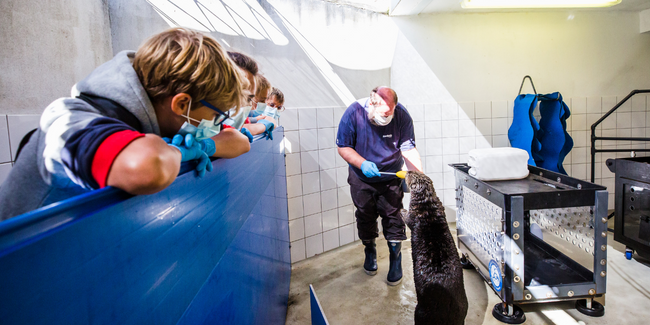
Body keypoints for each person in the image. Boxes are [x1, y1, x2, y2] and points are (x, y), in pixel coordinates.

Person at [0, 27, 250, 221]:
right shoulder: (71, 119)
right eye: (216, 114)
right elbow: (148, 167)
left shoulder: (148, 119)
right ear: (182, 104)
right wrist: (177, 152)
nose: (216, 123)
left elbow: (238, 142)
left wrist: (204, 146)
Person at [336, 86, 423, 286]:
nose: (387, 117)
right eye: (383, 113)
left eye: (390, 113)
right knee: (365, 214)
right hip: (362, 176)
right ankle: (370, 251)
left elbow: (408, 148)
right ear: (372, 104)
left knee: (394, 216)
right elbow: (343, 146)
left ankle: (395, 259)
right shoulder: (354, 113)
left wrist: (419, 178)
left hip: (391, 176)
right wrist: (361, 163)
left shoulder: (401, 115)